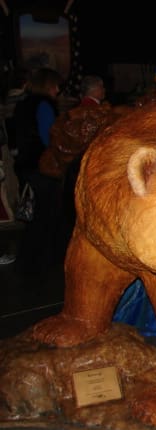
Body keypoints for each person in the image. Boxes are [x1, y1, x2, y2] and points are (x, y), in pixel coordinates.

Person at [11, 67, 63, 274]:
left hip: (26, 164)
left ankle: (30, 258)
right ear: (48, 85)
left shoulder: (23, 104)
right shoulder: (44, 105)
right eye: (56, 86)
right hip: (41, 167)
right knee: (46, 214)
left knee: (35, 215)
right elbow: (48, 137)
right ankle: (42, 259)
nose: (58, 90)